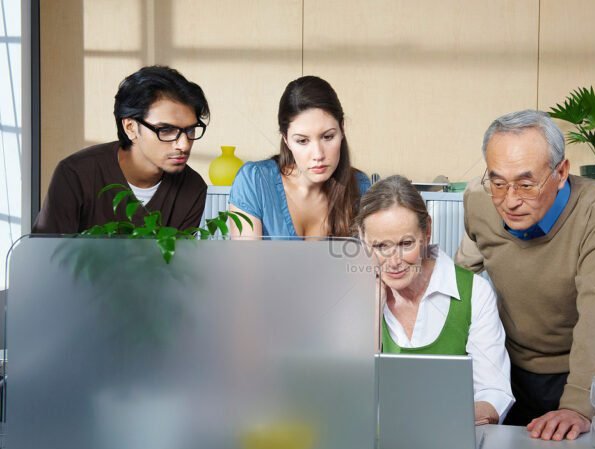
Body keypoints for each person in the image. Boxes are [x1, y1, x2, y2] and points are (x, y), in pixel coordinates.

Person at [456, 110, 595, 440]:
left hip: (586, 367)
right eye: (498, 182)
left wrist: (579, 406)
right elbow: (460, 278)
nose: (510, 201)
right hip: (513, 368)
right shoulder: (479, 202)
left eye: (526, 184)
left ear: (561, 172)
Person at [356, 175, 514, 425]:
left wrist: (436, 421)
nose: (394, 260)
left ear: (427, 231)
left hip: (453, 442)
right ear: (363, 240)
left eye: (406, 243)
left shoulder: (474, 292)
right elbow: (347, 396)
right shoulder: (355, 296)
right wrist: (371, 314)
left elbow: (494, 392)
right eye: (380, 246)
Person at [33, 65, 209, 233]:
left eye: (190, 129)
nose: (184, 145)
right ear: (130, 127)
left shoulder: (193, 187)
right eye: (166, 130)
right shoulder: (76, 174)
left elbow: (174, 261)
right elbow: (46, 255)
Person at [229, 76, 370, 238]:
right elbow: (247, 262)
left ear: (342, 129)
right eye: (302, 141)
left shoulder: (361, 187)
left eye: (328, 137)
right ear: (286, 139)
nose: (318, 154)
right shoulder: (254, 181)